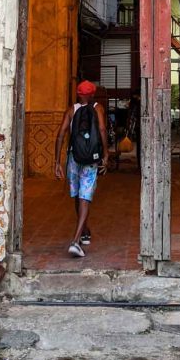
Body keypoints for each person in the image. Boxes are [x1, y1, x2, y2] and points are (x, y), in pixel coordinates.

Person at [54, 80, 108, 258]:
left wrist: (57, 162)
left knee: (78, 196)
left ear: (78, 93)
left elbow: (61, 134)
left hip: (74, 159)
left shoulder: (72, 109)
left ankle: (83, 232)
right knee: (85, 197)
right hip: (91, 160)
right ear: (92, 94)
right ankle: (76, 240)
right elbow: (101, 129)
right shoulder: (98, 108)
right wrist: (106, 154)